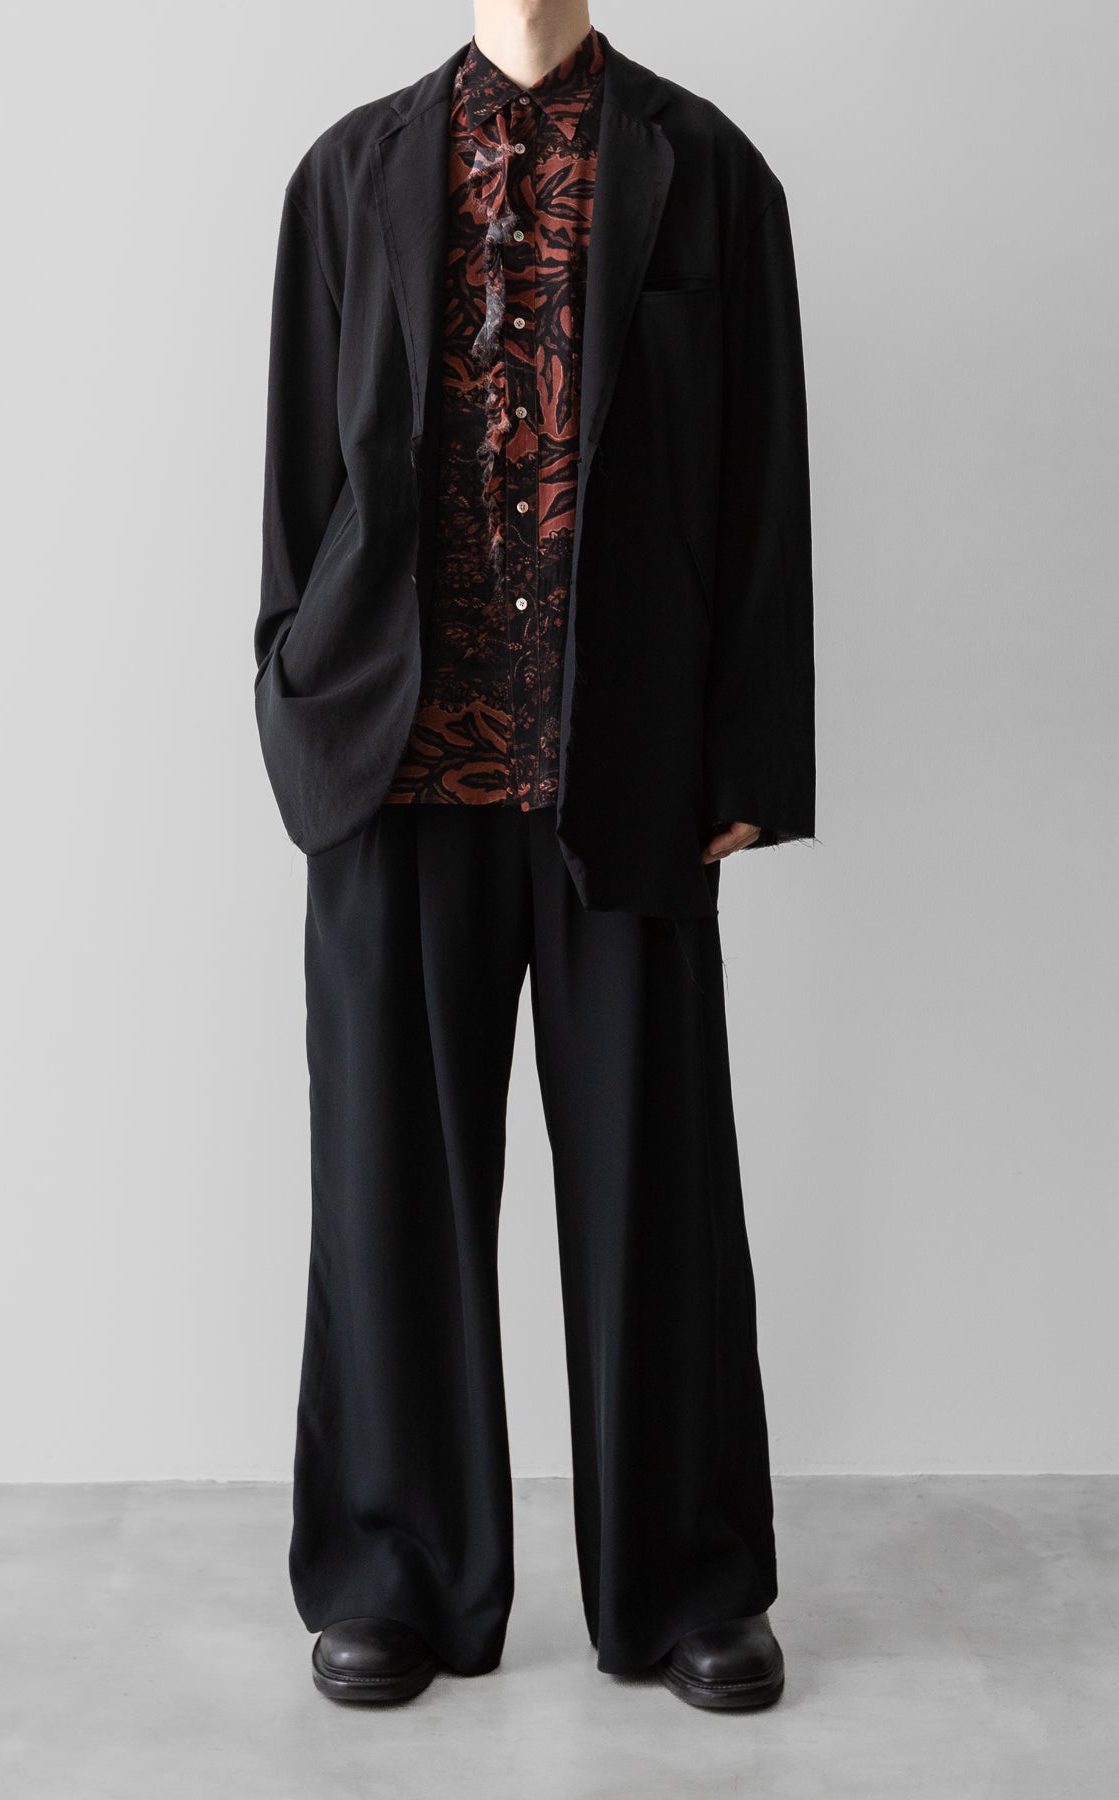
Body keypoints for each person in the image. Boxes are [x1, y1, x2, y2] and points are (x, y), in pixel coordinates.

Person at [253, 0, 814, 1712]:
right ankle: (393, 1571)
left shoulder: (710, 172)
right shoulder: (345, 175)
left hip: (622, 772)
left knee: (659, 1196)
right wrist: (294, 692)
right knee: (388, 1193)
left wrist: (753, 756)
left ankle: (688, 1579)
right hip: (397, 775)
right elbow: (298, 482)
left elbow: (765, 474)